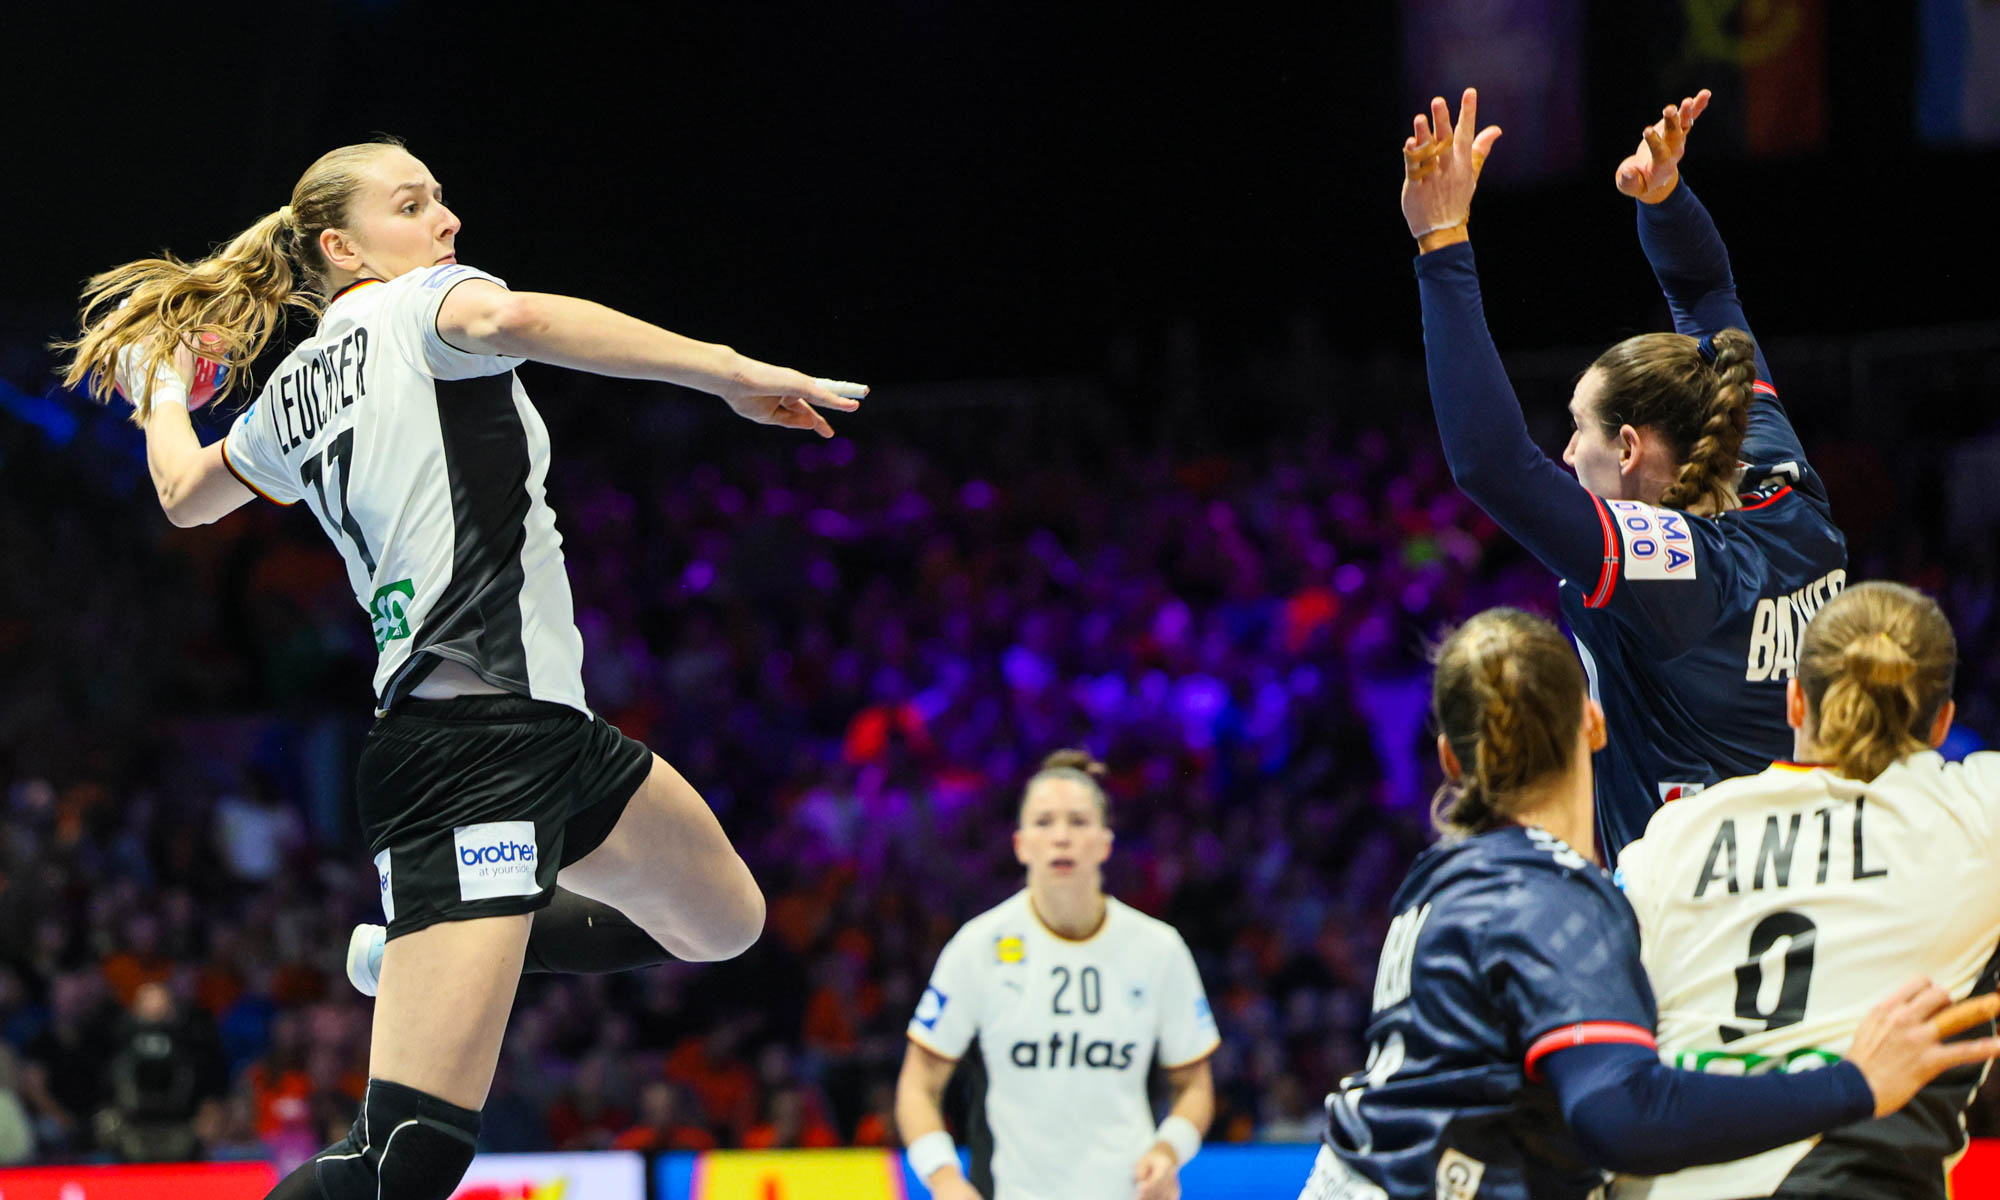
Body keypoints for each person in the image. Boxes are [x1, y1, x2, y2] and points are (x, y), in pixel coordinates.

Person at [59, 137, 866, 1200]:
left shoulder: (295, 391)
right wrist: (727, 372)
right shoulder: (420, 308)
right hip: (462, 758)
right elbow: (518, 318)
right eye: (414, 203)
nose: (445, 221)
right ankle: (427, 946)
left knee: (725, 921)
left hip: (553, 738)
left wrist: (163, 388)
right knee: (405, 1159)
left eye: (440, 200)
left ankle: (418, 952)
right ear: (344, 249)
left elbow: (183, 492)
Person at [1298, 607, 1999, 1200]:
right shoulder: (1554, 904)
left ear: (1452, 758)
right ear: (1596, 724)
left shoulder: (1440, 878)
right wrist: (1854, 1084)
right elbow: (1621, 1113)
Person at [1400, 87, 1847, 860]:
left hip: (1691, 941)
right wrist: (1665, 200)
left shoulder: (1679, 574)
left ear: (1633, 449)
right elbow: (1706, 292)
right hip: (1832, 889)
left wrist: (1443, 247)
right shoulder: (1776, 468)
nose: (1568, 454)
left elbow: (1492, 465)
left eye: (1580, 430)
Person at [1615, 581, 2000, 1199]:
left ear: (1794, 701)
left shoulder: (1670, 837)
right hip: (1848, 1179)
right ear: (1944, 723)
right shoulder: (1978, 815)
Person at [895, 750, 1219, 1200]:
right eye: (1044, 822)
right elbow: (918, 1084)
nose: (1062, 837)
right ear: (1021, 843)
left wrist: (1169, 1151)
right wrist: (944, 1179)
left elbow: (1195, 1084)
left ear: (1106, 843)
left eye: (1079, 822)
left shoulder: (1158, 949)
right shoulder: (977, 947)